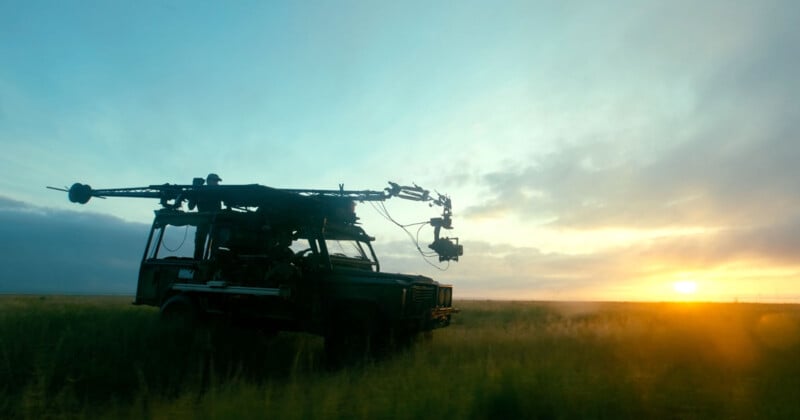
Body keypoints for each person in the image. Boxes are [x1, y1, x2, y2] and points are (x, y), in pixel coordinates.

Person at [193, 173, 222, 259]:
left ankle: (211, 261)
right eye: (215, 181)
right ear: (208, 181)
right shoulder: (200, 191)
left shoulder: (218, 191)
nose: (217, 183)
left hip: (212, 220)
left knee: (214, 242)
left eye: (217, 181)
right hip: (204, 220)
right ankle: (198, 262)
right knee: (200, 243)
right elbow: (191, 206)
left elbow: (191, 206)